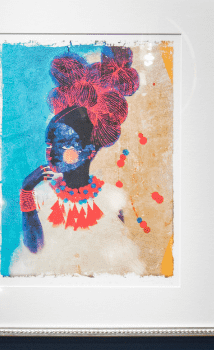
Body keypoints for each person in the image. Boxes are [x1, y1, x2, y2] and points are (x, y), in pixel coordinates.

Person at [8, 47, 146, 277]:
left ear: (89, 151)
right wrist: (26, 190)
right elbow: (35, 249)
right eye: (49, 145)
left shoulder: (110, 197)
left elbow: (120, 257)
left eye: (64, 144)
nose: (52, 152)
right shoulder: (42, 196)